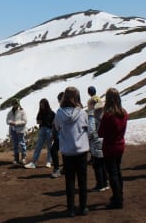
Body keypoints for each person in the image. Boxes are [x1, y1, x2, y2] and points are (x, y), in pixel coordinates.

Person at [54, 86, 89, 217]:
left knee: (69, 181)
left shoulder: (59, 113)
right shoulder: (82, 113)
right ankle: (83, 207)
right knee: (82, 180)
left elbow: (57, 128)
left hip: (67, 151)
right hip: (81, 151)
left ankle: (70, 209)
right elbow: (88, 129)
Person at [98, 88, 128, 210]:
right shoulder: (124, 113)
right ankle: (119, 195)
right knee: (118, 170)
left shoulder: (108, 116)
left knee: (112, 173)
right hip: (120, 144)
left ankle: (117, 199)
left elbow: (101, 133)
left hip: (110, 147)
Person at [86, 86, 108, 192]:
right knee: (103, 161)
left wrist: (89, 138)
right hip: (103, 138)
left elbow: (91, 130)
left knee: (97, 163)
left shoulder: (91, 114)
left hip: (95, 140)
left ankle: (100, 184)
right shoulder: (101, 110)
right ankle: (105, 182)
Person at [24, 98, 54, 169]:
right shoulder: (40, 112)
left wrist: (53, 132)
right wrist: (39, 122)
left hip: (49, 130)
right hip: (42, 130)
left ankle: (48, 162)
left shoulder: (52, 113)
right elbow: (37, 121)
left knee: (50, 147)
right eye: (41, 105)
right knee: (38, 146)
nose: (42, 106)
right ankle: (33, 162)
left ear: (46, 105)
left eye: (43, 105)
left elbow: (54, 123)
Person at [6, 98, 28, 165]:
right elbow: (7, 120)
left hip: (20, 130)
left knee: (22, 143)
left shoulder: (22, 111)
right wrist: (10, 122)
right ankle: (16, 159)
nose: (16, 105)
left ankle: (23, 158)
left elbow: (25, 121)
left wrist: (15, 123)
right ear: (13, 104)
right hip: (13, 130)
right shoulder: (10, 112)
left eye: (17, 103)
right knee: (15, 144)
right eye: (15, 103)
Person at [50, 92, 64, 178]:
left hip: (60, 136)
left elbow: (56, 124)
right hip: (64, 136)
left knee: (53, 150)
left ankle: (56, 169)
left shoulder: (61, 110)